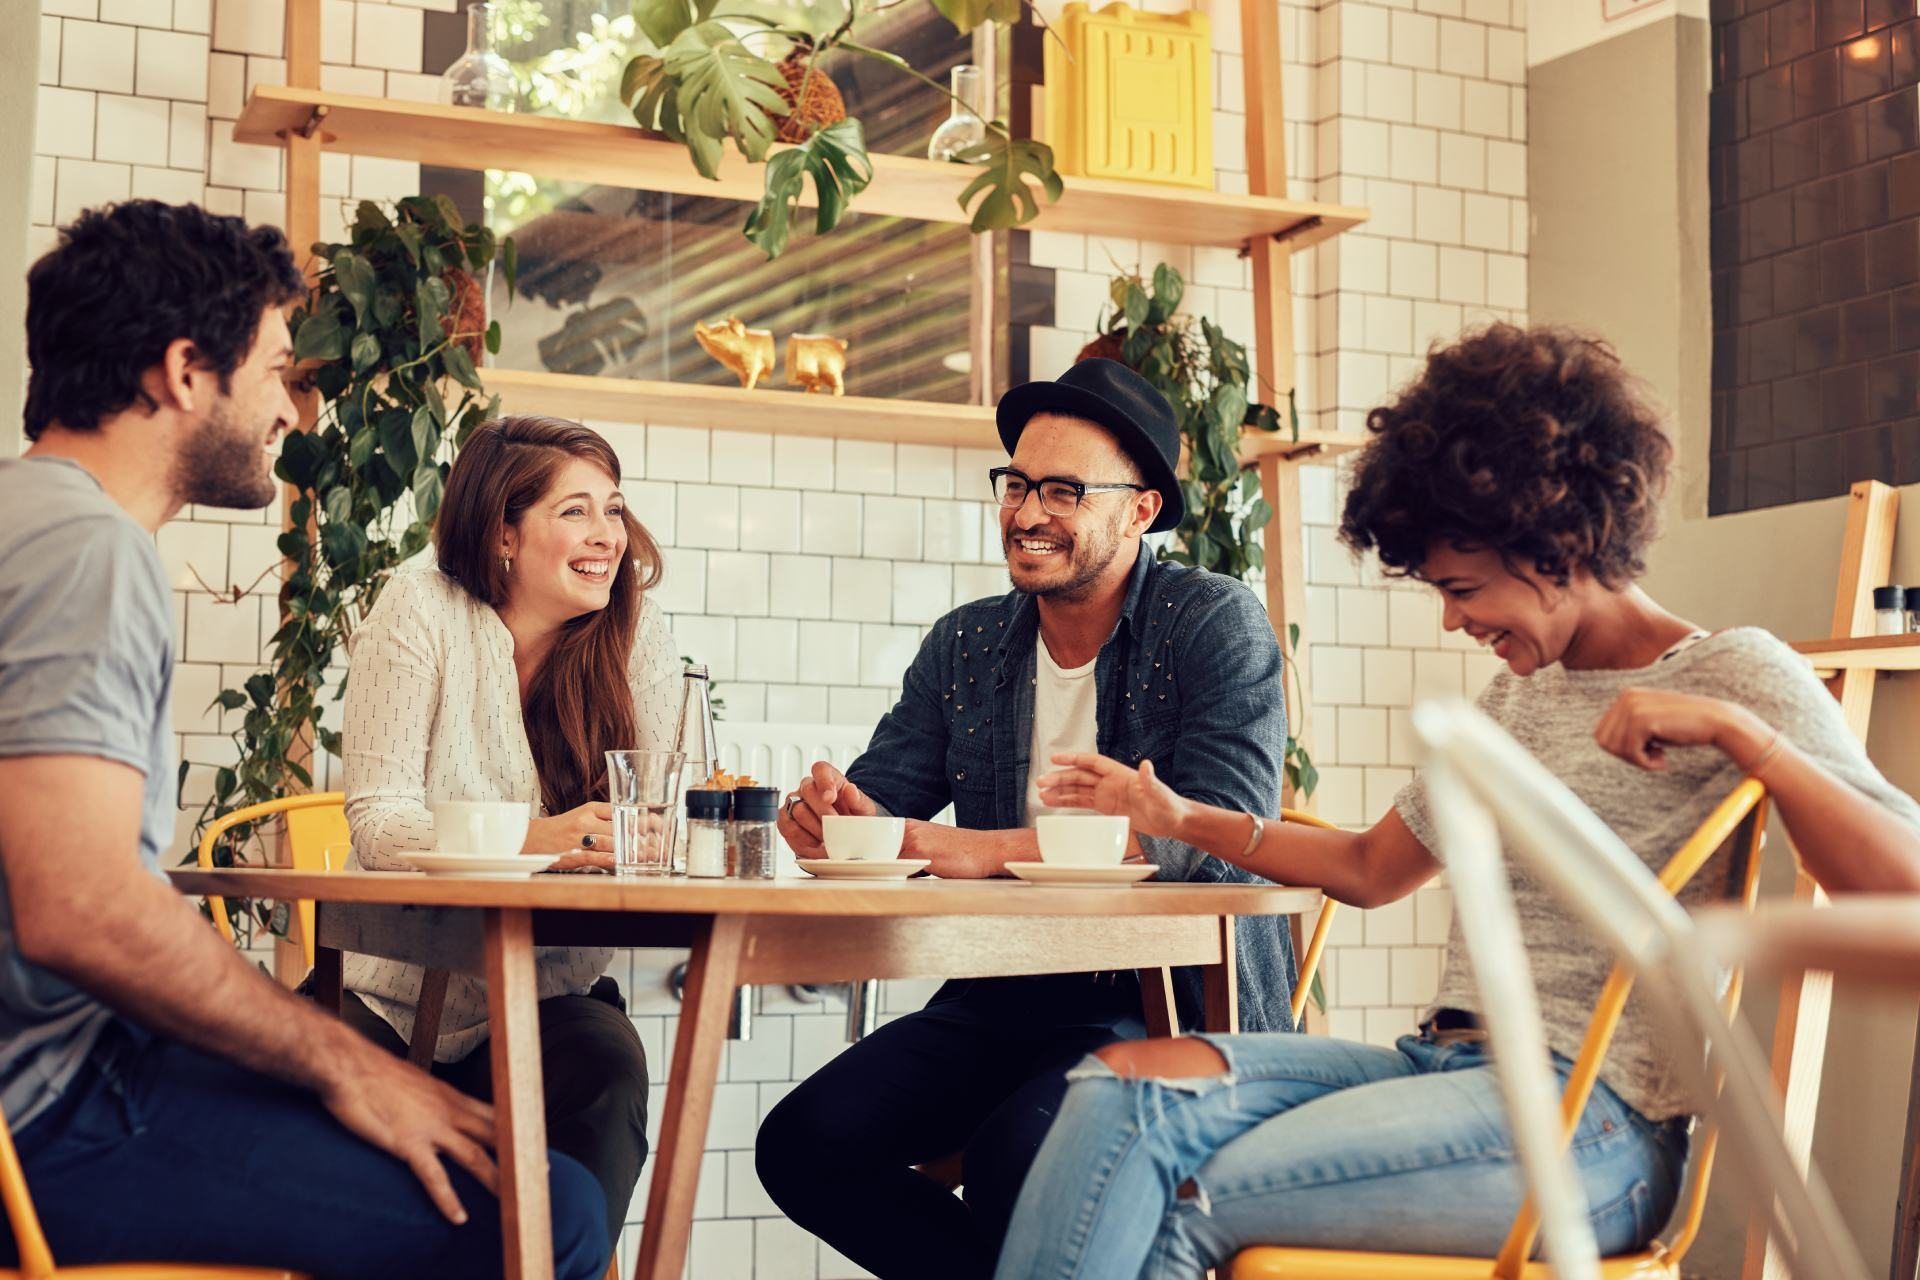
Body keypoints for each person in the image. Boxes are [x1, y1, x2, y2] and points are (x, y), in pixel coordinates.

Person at [992, 323, 1920, 1280]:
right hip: (1443, 1067)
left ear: (1560, 546)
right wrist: (1182, 819)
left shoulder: (1734, 672)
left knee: (1193, 1189)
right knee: (1112, 1099)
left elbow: (1902, 885)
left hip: (1594, 1127)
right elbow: (1368, 870)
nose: (1453, 619)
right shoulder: (1520, 692)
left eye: (1464, 588)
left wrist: (1748, 740)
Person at [0, 200, 608, 1278]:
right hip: (50, 1111)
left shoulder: (28, 521)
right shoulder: (90, 555)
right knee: (543, 1207)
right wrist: (345, 1061)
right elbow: (82, 909)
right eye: (279, 369)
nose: (293, 409)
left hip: (67, 1070)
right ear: (187, 369)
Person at [755, 357, 1295, 1280]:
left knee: (1023, 1157)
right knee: (805, 1144)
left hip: (1163, 1000)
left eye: (1064, 490)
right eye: (1017, 484)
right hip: (999, 989)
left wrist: (978, 851)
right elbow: (889, 796)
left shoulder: (1213, 623)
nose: (1028, 511)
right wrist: (837, 818)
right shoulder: (967, 641)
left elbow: (1212, 831)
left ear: (1141, 511)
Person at [336, 413, 677, 1247]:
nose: (609, 536)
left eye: (615, 508)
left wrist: (661, 840)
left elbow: (661, 822)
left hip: (548, 994)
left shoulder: (639, 635)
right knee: (354, 1162)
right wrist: (547, 837)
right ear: (503, 533)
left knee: (607, 1069)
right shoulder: (420, 606)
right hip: (393, 993)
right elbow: (381, 823)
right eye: (576, 511)